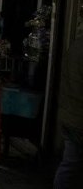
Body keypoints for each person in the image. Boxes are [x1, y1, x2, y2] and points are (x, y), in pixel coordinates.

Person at [55, 38, 83, 188]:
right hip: (77, 118)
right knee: (71, 167)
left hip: (70, 115)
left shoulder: (76, 45)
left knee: (69, 165)